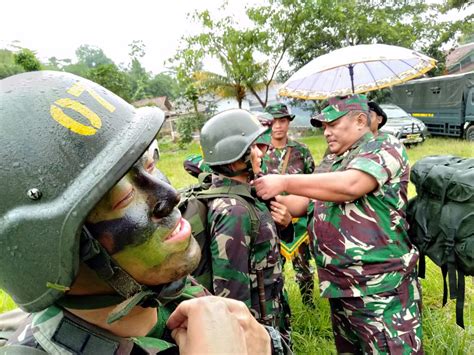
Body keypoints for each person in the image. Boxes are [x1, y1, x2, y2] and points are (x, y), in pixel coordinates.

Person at [0, 71, 272, 354]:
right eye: (125, 197)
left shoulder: (169, 292)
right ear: (49, 252)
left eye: (149, 165)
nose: (171, 196)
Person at [255, 94, 423, 354]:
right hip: (340, 286)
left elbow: (351, 185)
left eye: (333, 124)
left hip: (380, 287)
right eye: (323, 127)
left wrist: (284, 181)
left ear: (359, 120)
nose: (326, 133)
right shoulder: (333, 159)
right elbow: (303, 202)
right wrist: (258, 194)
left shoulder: (384, 146)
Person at [196, 109, 292, 350]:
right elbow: (231, 295)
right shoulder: (233, 210)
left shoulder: (246, 196)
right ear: (235, 156)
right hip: (254, 330)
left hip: (269, 316)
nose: (260, 153)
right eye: (252, 147)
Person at [263, 103, 316, 308]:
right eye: (273, 122)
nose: (278, 126)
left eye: (282, 121)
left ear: (288, 122)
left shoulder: (300, 151)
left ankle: (309, 305)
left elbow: (313, 183)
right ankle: (278, 307)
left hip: (298, 222)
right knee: (272, 268)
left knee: (303, 267)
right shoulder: (260, 151)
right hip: (270, 219)